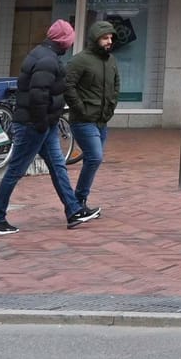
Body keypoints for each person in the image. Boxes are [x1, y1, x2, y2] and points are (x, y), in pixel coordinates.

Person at [0, 20, 100, 235]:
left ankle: (73, 209)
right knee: (15, 171)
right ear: (63, 41)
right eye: (69, 40)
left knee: (58, 166)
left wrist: (46, 122)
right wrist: (41, 123)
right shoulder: (47, 60)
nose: (70, 45)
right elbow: (39, 94)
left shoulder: (42, 54)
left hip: (43, 123)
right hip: (35, 124)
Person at [64, 20, 120, 215]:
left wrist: (111, 107)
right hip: (83, 120)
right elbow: (67, 86)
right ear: (95, 39)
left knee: (92, 159)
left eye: (111, 37)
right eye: (105, 38)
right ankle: (77, 200)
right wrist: (81, 108)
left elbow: (115, 85)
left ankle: (79, 202)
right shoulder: (79, 61)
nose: (109, 41)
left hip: (102, 120)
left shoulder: (111, 60)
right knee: (95, 157)